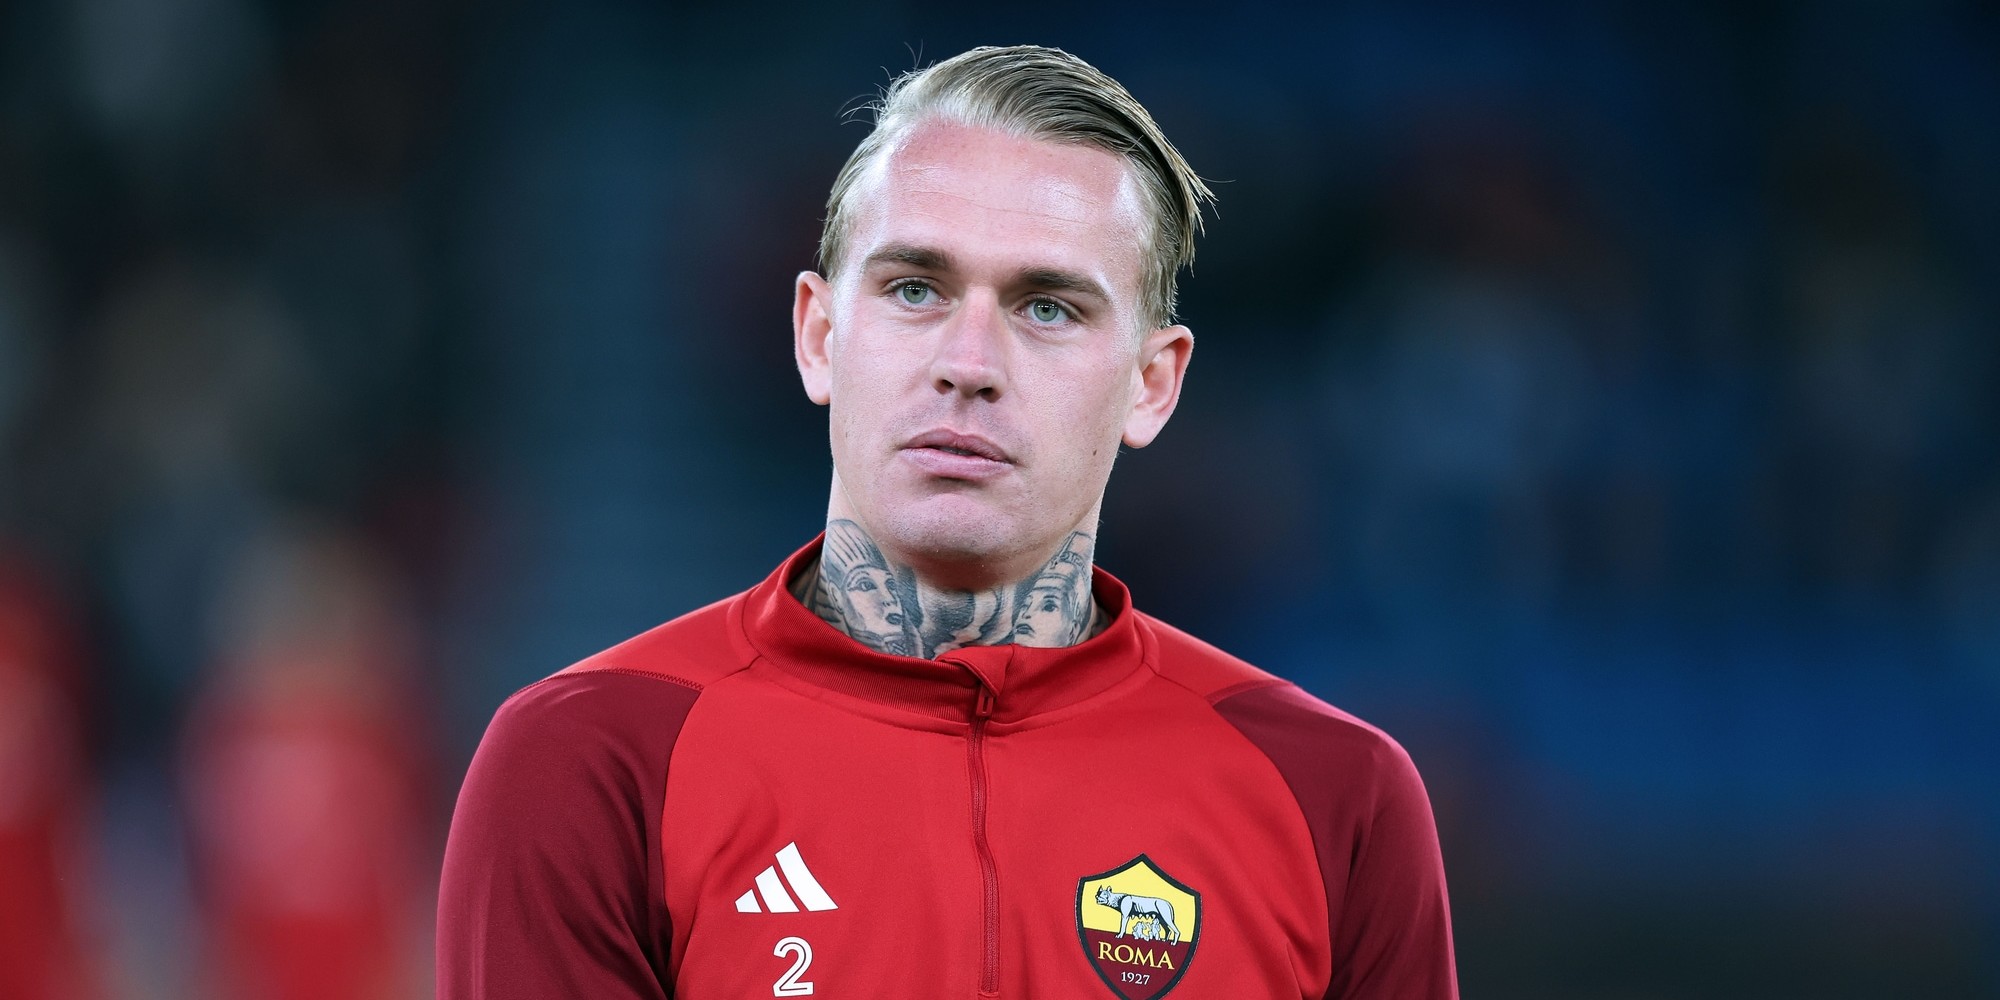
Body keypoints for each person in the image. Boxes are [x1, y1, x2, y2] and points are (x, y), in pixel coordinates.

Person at [439, 44, 1457, 999]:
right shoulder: (595, 761)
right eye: (915, 288)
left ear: (1152, 384)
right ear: (818, 336)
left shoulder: (1333, 795)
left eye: (1047, 306)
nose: (968, 365)